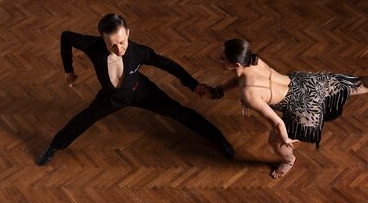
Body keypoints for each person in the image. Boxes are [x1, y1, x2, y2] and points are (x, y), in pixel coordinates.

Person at [207, 38, 368, 178]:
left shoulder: (249, 93)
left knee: (276, 142)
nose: (218, 60)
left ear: (235, 63)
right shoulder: (255, 60)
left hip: (302, 106)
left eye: (221, 58)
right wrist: (219, 90)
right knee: (363, 83)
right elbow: (241, 77)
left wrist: (286, 140)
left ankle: (288, 162)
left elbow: (278, 122)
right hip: (307, 82)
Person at [37, 13, 233, 165]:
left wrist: (192, 84)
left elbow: (167, 64)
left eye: (122, 42)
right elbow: (66, 37)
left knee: (179, 112)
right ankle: (54, 146)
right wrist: (68, 69)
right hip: (111, 97)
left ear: (128, 33)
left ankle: (219, 139)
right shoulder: (92, 46)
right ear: (103, 40)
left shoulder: (138, 52)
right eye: (112, 45)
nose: (119, 49)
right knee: (84, 119)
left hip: (142, 92)